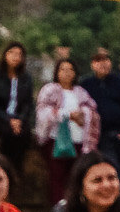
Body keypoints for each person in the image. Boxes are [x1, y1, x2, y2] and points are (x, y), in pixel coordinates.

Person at [35, 57, 98, 203]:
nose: (67, 73)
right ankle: (59, 208)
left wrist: (83, 116)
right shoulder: (50, 90)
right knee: (57, 177)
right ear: (57, 72)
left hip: (78, 140)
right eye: (63, 69)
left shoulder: (81, 92)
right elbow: (43, 112)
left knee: (76, 177)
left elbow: (92, 111)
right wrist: (67, 115)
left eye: (70, 70)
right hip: (56, 140)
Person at [79, 47, 120, 197]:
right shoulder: (86, 85)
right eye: (98, 61)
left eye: (105, 60)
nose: (102, 64)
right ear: (93, 64)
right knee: (115, 170)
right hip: (101, 136)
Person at [0, 43, 35, 182]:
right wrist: (8, 119)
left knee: (24, 134)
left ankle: (17, 170)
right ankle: (6, 170)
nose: (15, 57)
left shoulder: (26, 78)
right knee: (7, 133)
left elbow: (28, 103)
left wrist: (20, 119)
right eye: (12, 53)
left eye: (19, 54)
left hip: (18, 118)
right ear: (5, 55)